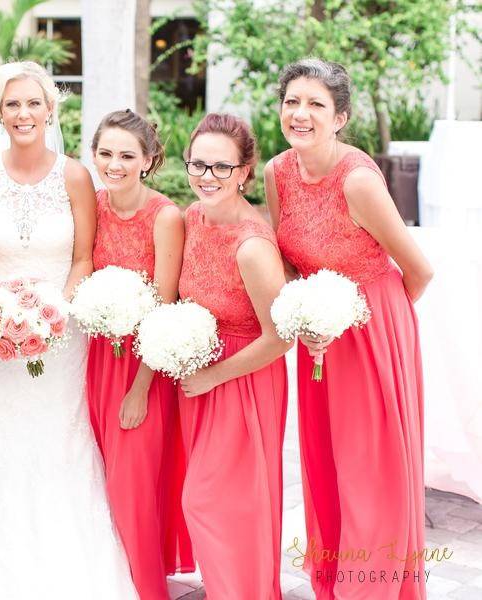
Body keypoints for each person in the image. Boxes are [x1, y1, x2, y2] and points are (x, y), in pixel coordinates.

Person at [0, 61, 137, 599]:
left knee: (60, 435)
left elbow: (84, 257)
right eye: (12, 103)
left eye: (33, 103)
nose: (23, 113)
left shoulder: (75, 176)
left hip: (63, 336)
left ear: (50, 109)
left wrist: (53, 312)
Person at [265, 58, 432, 600]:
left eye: (316, 104)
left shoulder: (358, 180)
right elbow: (287, 260)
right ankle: (334, 584)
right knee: (325, 461)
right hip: (319, 333)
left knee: (371, 470)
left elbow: (419, 271)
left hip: (372, 330)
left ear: (341, 117)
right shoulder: (276, 173)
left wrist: (376, 331)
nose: (301, 113)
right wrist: (307, 314)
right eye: (293, 101)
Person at [177, 113, 290, 599]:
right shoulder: (191, 218)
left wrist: (214, 376)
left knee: (211, 499)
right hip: (199, 375)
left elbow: (281, 337)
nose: (207, 176)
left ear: (245, 172)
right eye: (198, 164)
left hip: (242, 377)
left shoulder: (252, 247)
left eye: (222, 167)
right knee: (223, 503)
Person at [85, 109, 193, 600]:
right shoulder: (92, 204)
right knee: (98, 474)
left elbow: (166, 304)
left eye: (127, 155)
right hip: (95, 359)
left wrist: (140, 389)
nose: (115, 164)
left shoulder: (165, 216)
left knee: (133, 483)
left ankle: (146, 586)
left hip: (142, 365)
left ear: (149, 160)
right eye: (105, 153)